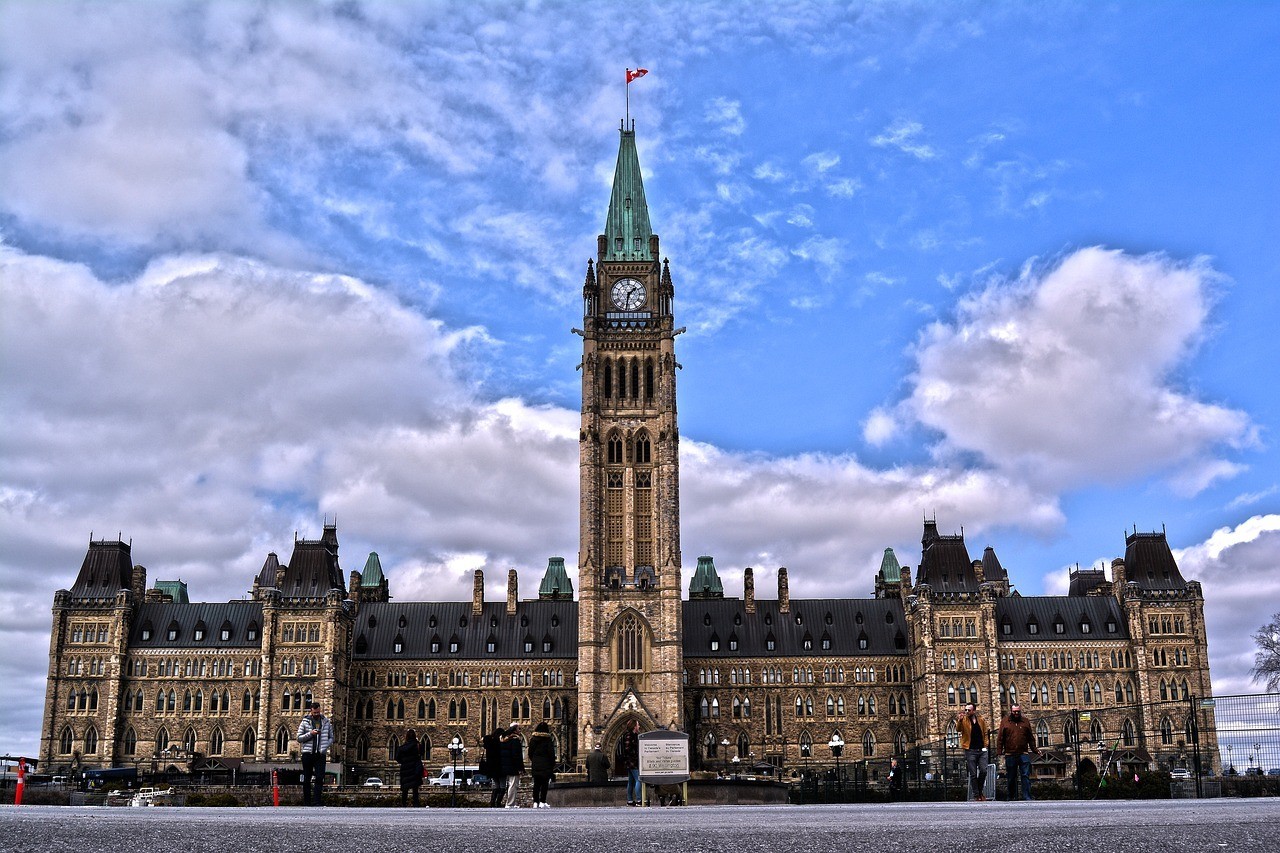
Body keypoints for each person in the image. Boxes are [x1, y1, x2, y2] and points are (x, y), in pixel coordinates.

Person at [997, 704, 1041, 801]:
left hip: (1023, 753)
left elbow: (1030, 737)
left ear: (1020, 711)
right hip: (1010, 753)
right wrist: (999, 750)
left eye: (1018, 711)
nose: (1016, 713)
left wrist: (1035, 750)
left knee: (1025, 775)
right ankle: (1011, 796)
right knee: (1011, 777)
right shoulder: (1005, 721)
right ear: (1011, 711)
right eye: (1014, 711)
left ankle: (1027, 796)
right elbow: (1000, 737)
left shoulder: (1025, 721)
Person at [296, 700, 334, 806]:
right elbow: (299, 738)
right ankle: (307, 802)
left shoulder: (326, 722)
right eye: (314, 713)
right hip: (308, 754)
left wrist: (325, 745)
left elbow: (331, 737)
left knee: (319, 777)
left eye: (318, 712)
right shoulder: (304, 722)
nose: (316, 714)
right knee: (307, 779)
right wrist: (310, 734)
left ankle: (317, 801)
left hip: (320, 754)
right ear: (311, 712)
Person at [957, 702, 989, 801]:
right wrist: (959, 720)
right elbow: (959, 729)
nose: (966, 712)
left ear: (974, 711)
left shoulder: (981, 720)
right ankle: (977, 795)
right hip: (970, 750)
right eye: (965, 710)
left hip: (981, 750)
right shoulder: (964, 720)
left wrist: (986, 743)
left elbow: (985, 732)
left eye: (969, 710)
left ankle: (979, 791)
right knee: (973, 774)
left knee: (983, 771)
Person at [527, 721, 556, 808]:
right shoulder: (548, 740)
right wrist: (552, 764)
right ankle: (542, 801)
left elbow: (530, 753)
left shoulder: (533, 739)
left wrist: (534, 760)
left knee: (536, 784)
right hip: (546, 764)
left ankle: (535, 802)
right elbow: (551, 753)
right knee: (544, 784)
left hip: (536, 764)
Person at [395, 729, 425, 807]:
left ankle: (404, 804)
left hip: (405, 769)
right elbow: (422, 752)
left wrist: (404, 762)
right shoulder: (418, 746)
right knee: (415, 789)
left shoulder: (402, 747)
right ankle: (416, 804)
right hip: (415, 769)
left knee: (405, 789)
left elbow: (397, 758)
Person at [500, 724, 525, 808]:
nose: (520, 730)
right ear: (515, 731)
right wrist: (520, 768)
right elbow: (516, 756)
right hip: (513, 766)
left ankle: (511, 803)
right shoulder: (515, 741)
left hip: (507, 765)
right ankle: (510, 803)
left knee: (511, 784)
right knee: (513, 785)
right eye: (519, 729)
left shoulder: (506, 740)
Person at [618, 719, 641, 806]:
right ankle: (639, 800)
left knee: (631, 781)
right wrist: (636, 754)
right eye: (638, 725)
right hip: (632, 762)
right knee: (639, 780)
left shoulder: (633, 735)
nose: (639, 727)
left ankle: (630, 800)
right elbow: (627, 749)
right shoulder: (629, 735)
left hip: (630, 762)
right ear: (634, 726)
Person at [483, 727, 507, 807]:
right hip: (500, 767)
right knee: (503, 786)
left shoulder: (489, 742)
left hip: (491, 768)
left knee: (496, 785)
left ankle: (492, 802)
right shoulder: (500, 743)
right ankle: (498, 802)